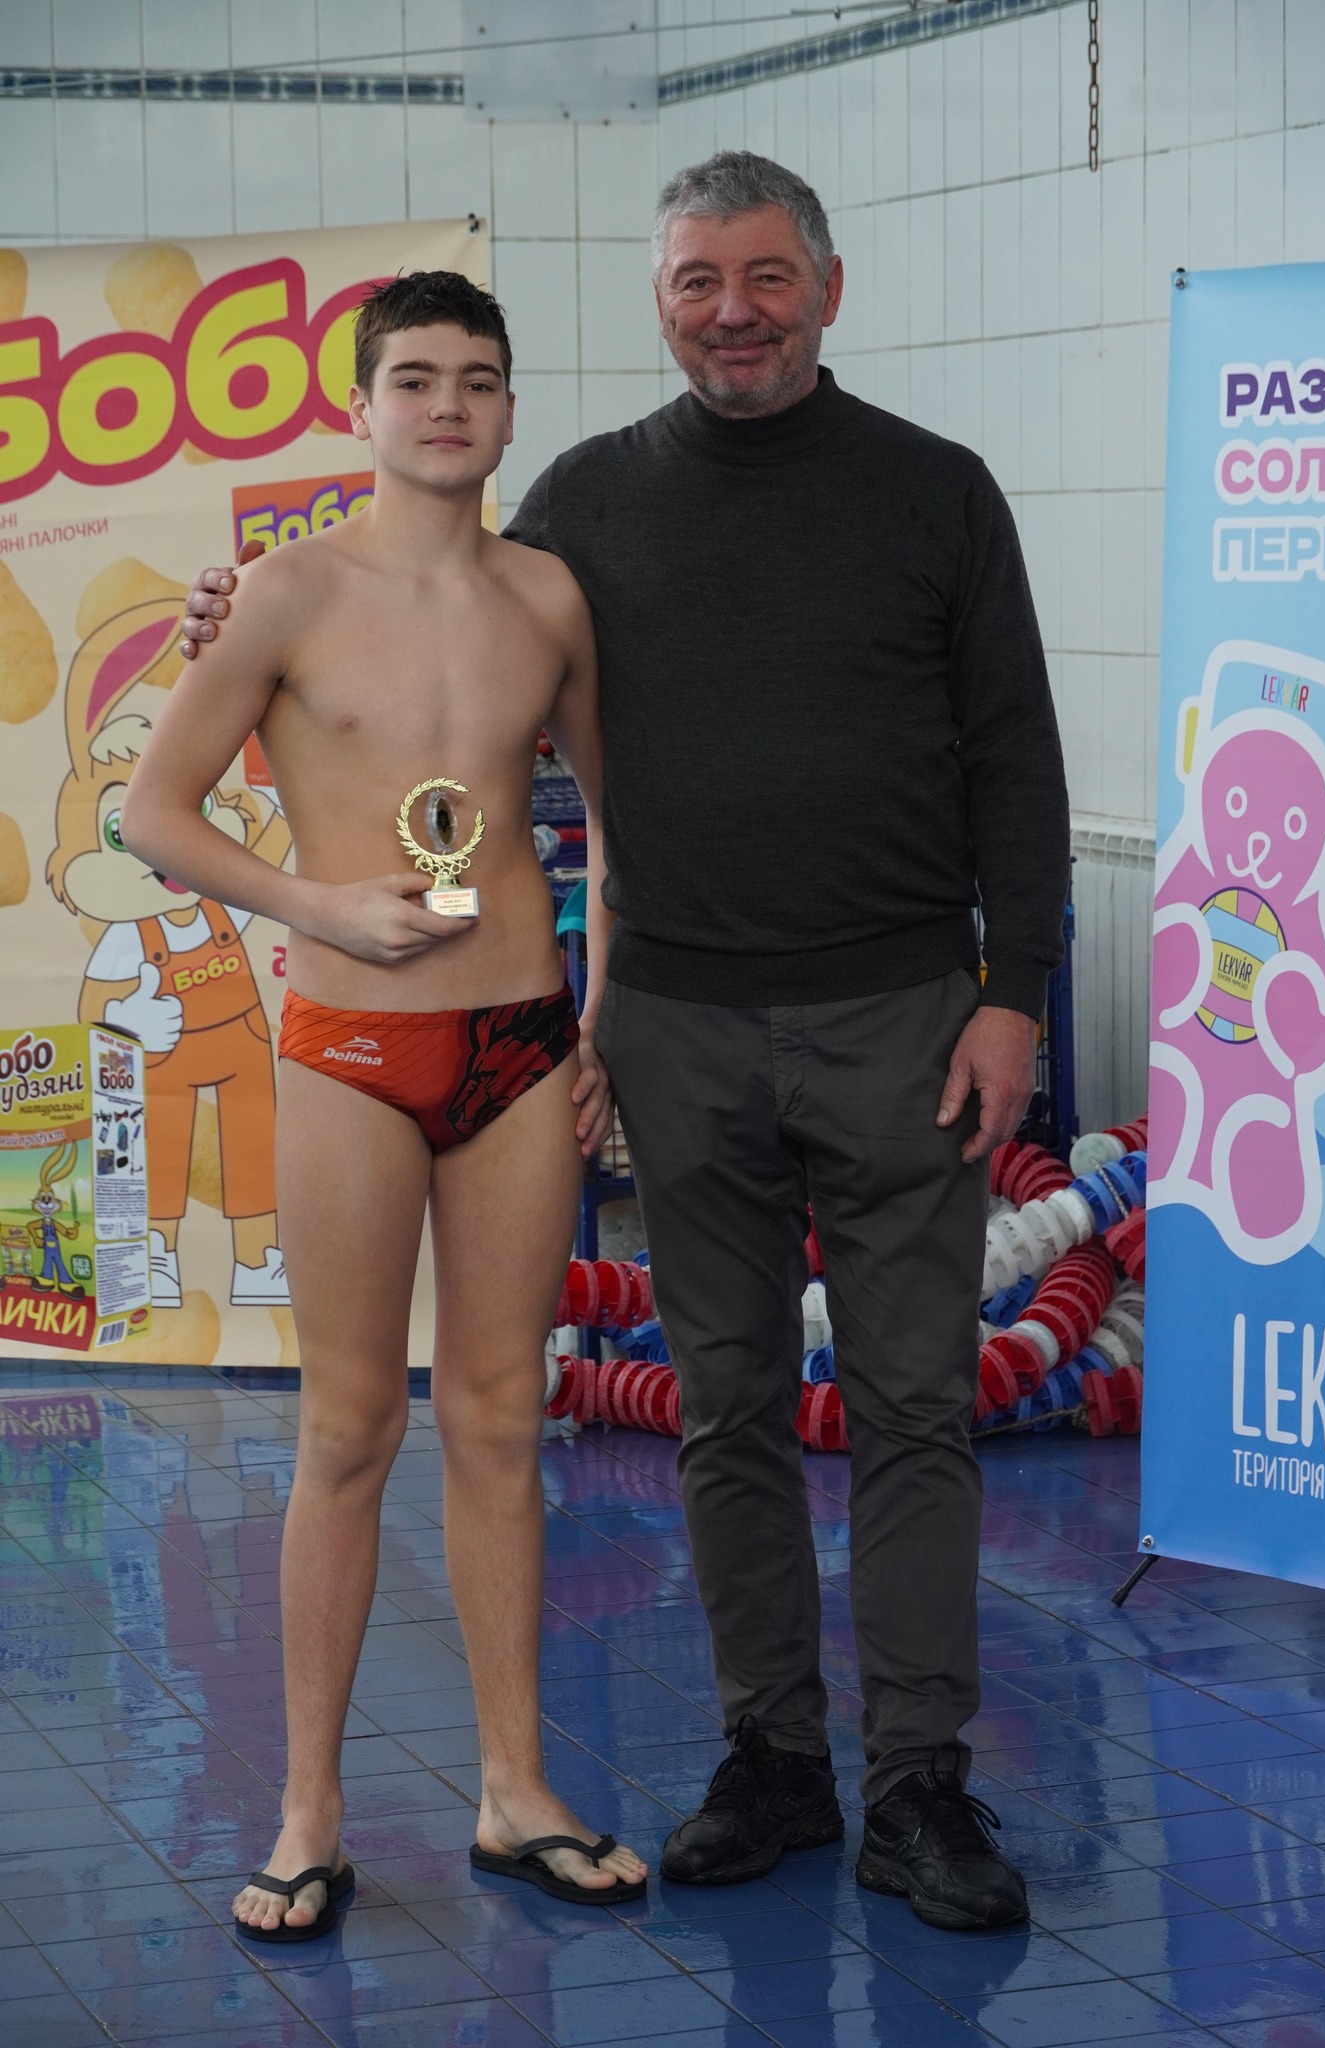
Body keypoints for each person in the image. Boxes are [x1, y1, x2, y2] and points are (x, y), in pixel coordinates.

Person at [179, 154, 1071, 1934]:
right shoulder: (586, 503)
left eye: (765, 277)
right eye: (694, 282)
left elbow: (1012, 754)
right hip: (646, 1030)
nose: (732, 311)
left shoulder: (928, 492)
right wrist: (239, 628)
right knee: (711, 1407)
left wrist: (1014, 991)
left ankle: (911, 1785)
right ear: (656, 301)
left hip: (869, 1015)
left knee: (899, 1405)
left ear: (827, 287)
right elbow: (400, 613)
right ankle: (766, 1760)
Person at [128, 270, 647, 1940]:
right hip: (351, 1045)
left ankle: (514, 1790)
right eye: (414, 378)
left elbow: (617, 828)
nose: (446, 406)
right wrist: (318, 909)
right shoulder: (285, 592)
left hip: (518, 1044)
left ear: (510, 411)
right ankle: (308, 1814)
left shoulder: (549, 597)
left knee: (501, 1420)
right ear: (360, 407)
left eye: (477, 380)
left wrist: (597, 1022)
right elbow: (153, 811)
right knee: (348, 1427)